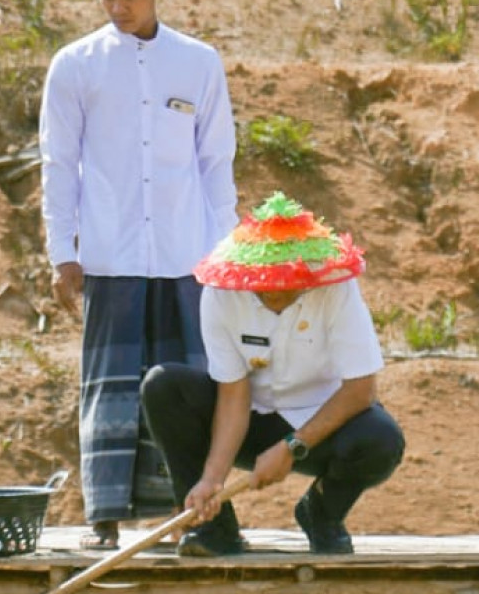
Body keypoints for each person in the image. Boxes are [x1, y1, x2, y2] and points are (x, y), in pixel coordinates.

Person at [39, 0, 238, 551]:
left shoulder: (198, 62)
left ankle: (190, 515)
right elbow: (58, 163)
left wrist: (227, 253)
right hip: (110, 252)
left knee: (185, 387)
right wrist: (62, 252)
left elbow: (216, 164)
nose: (118, 8)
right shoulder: (75, 65)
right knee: (110, 386)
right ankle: (103, 520)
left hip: (187, 254)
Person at [140, 191, 405, 556]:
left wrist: (293, 446)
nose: (275, 293)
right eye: (265, 284)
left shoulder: (337, 288)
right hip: (250, 422)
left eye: (287, 282)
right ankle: (211, 526)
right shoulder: (221, 295)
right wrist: (212, 479)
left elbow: (360, 390)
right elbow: (233, 393)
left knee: (382, 439)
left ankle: (322, 513)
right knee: (164, 386)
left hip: (321, 425)